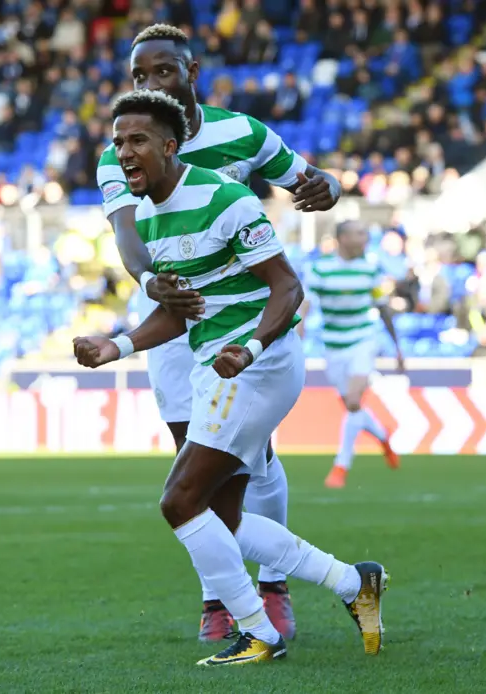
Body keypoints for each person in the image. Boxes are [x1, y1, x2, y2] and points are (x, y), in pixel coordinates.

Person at [76, 91, 388, 666]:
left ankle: (258, 631)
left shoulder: (226, 198)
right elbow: (181, 311)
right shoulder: (148, 217)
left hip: (259, 364)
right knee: (223, 518)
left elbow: (288, 288)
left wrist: (248, 348)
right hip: (216, 363)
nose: (123, 153)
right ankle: (354, 584)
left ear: (170, 147)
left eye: (137, 140)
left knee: (179, 500)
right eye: (118, 142)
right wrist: (115, 345)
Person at [96, 23, 341, 641]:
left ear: (192, 69)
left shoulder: (244, 133)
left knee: (251, 460)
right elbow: (129, 240)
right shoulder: (121, 150)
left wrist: (326, 187)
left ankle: (272, 592)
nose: (153, 85)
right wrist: (153, 285)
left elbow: (309, 178)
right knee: (196, 464)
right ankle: (220, 598)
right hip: (172, 317)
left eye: (163, 72)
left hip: (241, 319)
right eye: (140, 77)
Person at [298, 221, 403, 488]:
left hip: (364, 340)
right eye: (361, 233)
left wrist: (398, 347)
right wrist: (297, 338)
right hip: (333, 345)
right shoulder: (319, 269)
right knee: (352, 408)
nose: (366, 237)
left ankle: (340, 467)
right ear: (342, 238)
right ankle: (382, 436)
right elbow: (304, 306)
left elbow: (383, 308)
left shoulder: (371, 268)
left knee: (354, 401)